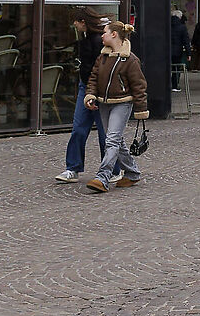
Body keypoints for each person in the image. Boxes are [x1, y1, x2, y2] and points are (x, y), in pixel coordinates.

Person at [87, 18, 149, 193]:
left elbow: (139, 86)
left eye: (104, 32)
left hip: (122, 103)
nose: (102, 36)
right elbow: (93, 77)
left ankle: (103, 177)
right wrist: (91, 95)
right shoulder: (103, 57)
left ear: (114, 34)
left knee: (112, 139)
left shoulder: (130, 59)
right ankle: (132, 172)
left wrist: (141, 110)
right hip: (104, 103)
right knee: (116, 140)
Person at [54, 11, 106, 184]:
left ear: (82, 22)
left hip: (95, 88)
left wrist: (93, 91)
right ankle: (73, 168)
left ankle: (111, 169)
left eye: (75, 22)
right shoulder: (88, 39)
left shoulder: (97, 41)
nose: (73, 25)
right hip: (86, 87)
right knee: (79, 128)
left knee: (104, 132)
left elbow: (97, 69)